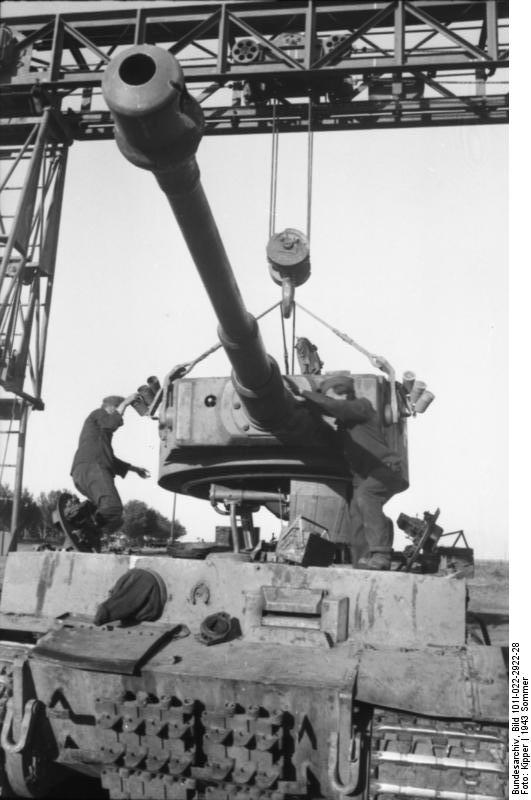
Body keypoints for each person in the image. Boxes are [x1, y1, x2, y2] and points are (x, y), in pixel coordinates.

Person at [297, 375, 408, 571]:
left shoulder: (362, 407)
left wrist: (304, 394)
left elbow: (335, 408)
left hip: (387, 468)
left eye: (329, 395)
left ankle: (381, 553)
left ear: (344, 394)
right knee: (356, 512)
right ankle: (363, 562)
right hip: (365, 476)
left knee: (367, 496)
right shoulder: (344, 430)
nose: (327, 400)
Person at [69, 394, 150, 539]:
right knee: (112, 507)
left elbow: (111, 460)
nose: (122, 420)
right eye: (118, 411)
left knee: (101, 511)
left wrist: (135, 469)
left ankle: (80, 527)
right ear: (111, 407)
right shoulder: (98, 414)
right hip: (93, 468)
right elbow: (112, 423)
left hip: (82, 472)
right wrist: (125, 403)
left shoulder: (98, 438)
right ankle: (82, 532)